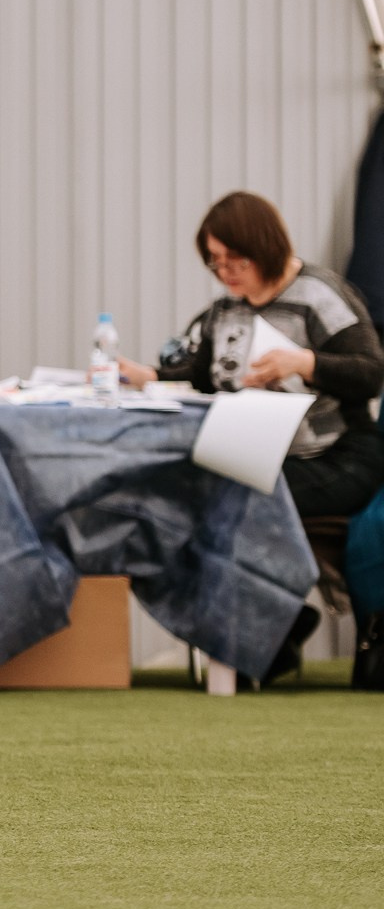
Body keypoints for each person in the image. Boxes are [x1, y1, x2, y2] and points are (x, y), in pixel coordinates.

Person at [121, 191, 384, 682]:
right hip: (257, 451)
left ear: (264, 246)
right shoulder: (227, 310)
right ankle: (275, 627)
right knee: (179, 493)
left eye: (233, 259)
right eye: (214, 262)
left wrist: (304, 362)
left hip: (337, 454)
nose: (224, 272)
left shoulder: (320, 295)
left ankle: (265, 632)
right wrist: (148, 375)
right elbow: (200, 373)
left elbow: (370, 373)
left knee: (234, 496)